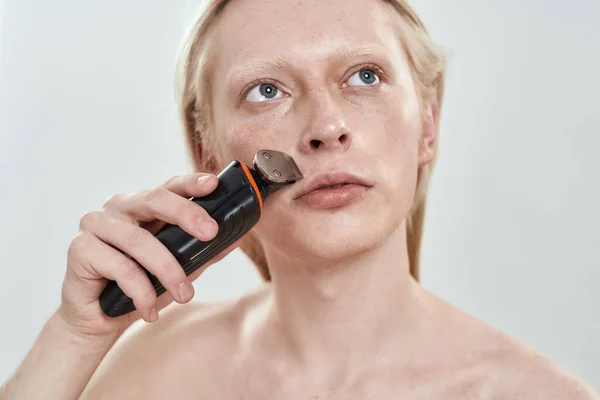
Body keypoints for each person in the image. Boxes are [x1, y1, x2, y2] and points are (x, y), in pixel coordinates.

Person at [1, 0, 598, 398]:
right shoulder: (147, 372)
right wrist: (73, 339)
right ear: (211, 158)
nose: (326, 127)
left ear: (428, 128)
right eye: (267, 90)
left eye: (364, 76)